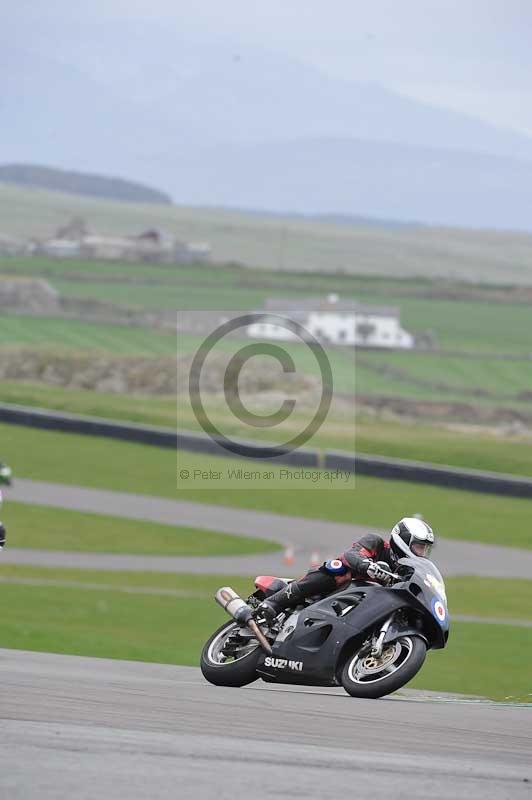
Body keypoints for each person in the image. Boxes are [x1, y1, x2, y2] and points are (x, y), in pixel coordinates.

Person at [257, 517, 435, 624]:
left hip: (366, 603)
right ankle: (274, 602)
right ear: (403, 540)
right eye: (419, 547)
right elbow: (352, 554)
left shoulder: (406, 568)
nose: (422, 553)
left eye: (425, 549)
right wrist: (368, 566)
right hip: (341, 588)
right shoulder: (377, 543)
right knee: (337, 568)